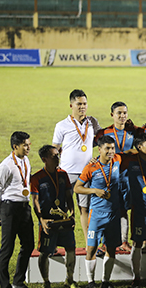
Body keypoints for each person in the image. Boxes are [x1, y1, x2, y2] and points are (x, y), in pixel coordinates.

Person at [74, 135, 123, 288]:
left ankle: (106, 282)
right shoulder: (91, 167)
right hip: (97, 214)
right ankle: (90, 282)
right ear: (99, 149)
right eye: (107, 148)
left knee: (111, 248)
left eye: (112, 148)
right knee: (91, 248)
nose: (110, 151)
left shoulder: (118, 160)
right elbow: (77, 188)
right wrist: (94, 190)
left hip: (113, 214)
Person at [31, 145, 81, 288]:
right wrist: (41, 219)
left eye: (58, 155)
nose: (57, 157)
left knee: (71, 248)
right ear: (44, 159)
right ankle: (46, 282)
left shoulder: (63, 174)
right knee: (45, 252)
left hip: (63, 220)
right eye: (54, 156)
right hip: (48, 221)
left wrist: (72, 212)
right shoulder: (37, 178)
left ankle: (70, 280)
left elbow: (68, 196)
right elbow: (35, 201)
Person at [52, 89, 101, 241]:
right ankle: (60, 242)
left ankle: (88, 242)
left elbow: (102, 142)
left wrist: (97, 158)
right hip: (66, 173)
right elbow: (55, 148)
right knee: (62, 209)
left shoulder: (92, 122)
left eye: (85, 104)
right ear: (71, 105)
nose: (82, 107)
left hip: (86, 174)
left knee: (84, 208)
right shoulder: (61, 125)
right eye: (79, 104)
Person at [0, 131, 36, 288]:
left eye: (29, 144)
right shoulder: (6, 165)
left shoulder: (25, 160)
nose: (28, 147)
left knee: (28, 245)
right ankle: (5, 287)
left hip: (24, 208)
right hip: (9, 209)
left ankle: (18, 282)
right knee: (7, 248)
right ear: (15, 146)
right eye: (25, 145)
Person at [95, 101, 141, 252]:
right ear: (112, 115)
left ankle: (124, 241)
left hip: (127, 177)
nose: (122, 116)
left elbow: (144, 142)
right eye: (119, 113)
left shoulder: (132, 132)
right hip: (108, 177)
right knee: (107, 208)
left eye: (124, 113)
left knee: (124, 209)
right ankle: (104, 242)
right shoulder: (104, 133)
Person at [121, 133, 146, 287]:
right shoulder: (130, 162)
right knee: (138, 243)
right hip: (139, 209)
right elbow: (115, 157)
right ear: (139, 147)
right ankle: (136, 277)